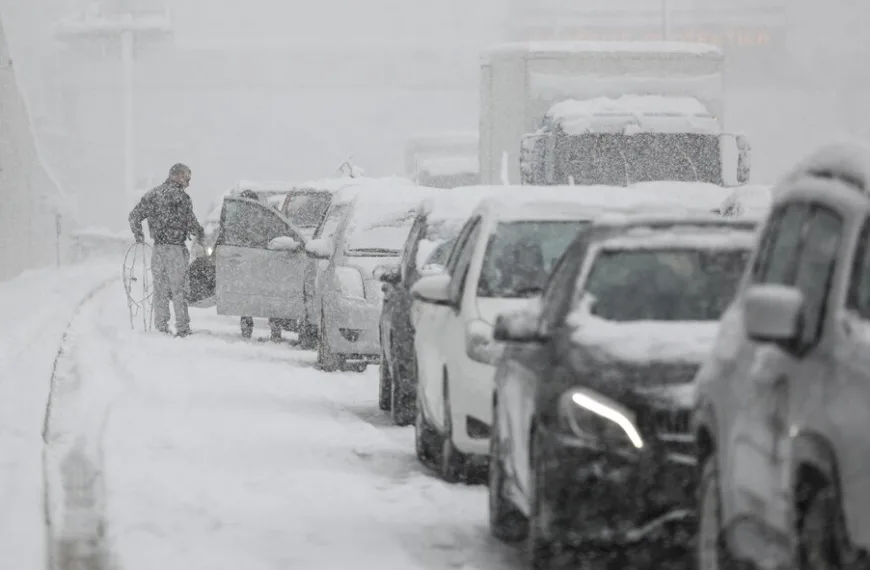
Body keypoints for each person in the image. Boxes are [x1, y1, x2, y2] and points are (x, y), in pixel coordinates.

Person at [129, 163, 204, 337]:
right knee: (179, 290)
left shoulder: (153, 195)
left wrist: (139, 236)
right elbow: (191, 223)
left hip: (158, 249)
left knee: (160, 289)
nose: (188, 183)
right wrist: (200, 233)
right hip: (176, 249)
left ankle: (161, 325)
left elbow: (134, 216)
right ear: (177, 176)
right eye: (187, 178)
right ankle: (182, 328)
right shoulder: (181, 198)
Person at [234, 189, 286, 342]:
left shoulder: (249, 218)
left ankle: (250, 329)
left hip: (259, 261)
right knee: (266, 297)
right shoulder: (266, 215)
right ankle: (274, 331)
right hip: (263, 261)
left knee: (254, 297)